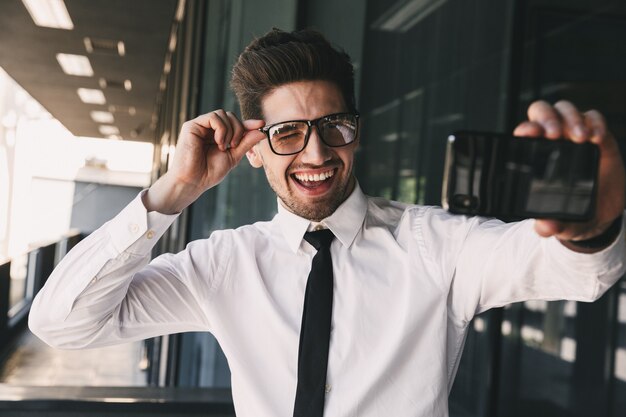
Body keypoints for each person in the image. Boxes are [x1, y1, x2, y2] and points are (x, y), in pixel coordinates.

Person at [29, 28, 626, 417]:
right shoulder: (222, 265)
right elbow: (63, 324)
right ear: (253, 149)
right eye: (287, 133)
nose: (316, 155)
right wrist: (173, 191)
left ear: (355, 132)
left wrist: (587, 227)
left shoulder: (434, 245)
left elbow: (577, 273)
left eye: (334, 127)